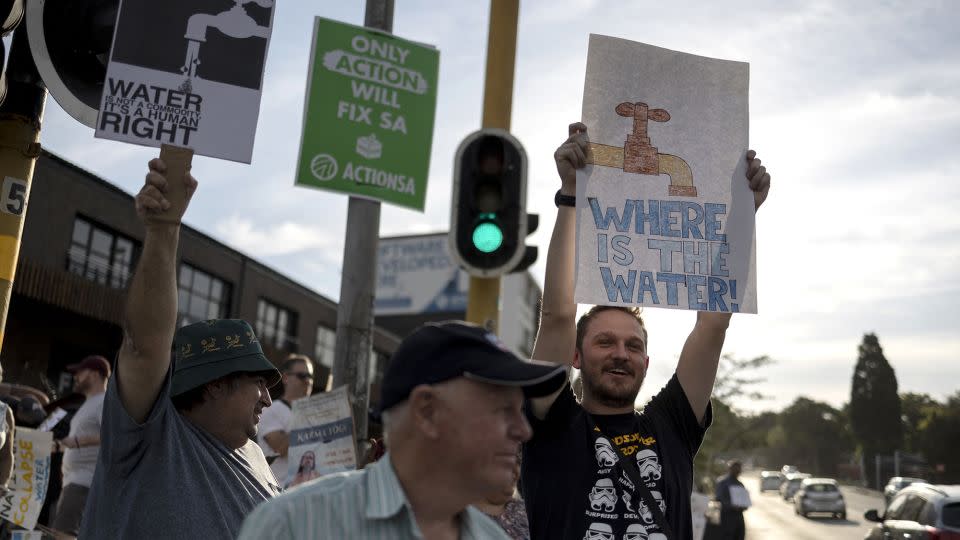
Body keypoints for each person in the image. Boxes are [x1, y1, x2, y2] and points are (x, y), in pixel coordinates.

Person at [520, 123, 771, 540]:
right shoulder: (551, 425)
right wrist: (570, 196)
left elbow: (713, 323)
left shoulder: (671, 425)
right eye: (605, 341)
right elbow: (559, 316)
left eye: (633, 345)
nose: (621, 352)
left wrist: (744, 215)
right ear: (575, 357)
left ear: (646, 362)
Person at [78, 158, 283, 540]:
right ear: (214, 384)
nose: (268, 399)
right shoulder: (152, 433)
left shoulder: (255, 456)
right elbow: (145, 345)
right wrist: (164, 229)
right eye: (258, 382)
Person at [237, 321, 569, 540]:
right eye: (502, 410)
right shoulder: (296, 524)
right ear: (427, 411)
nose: (524, 430)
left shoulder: (492, 537)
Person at [50, 355, 110, 535]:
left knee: (63, 534)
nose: (76, 377)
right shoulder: (90, 404)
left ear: (93, 374)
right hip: (75, 483)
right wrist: (58, 446)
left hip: (83, 483)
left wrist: (77, 441)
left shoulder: (104, 401)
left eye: (79, 372)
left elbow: (112, 435)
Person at [258, 354, 316, 486]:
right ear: (285, 378)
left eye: (310, 376)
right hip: (277, 493)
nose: (308, 381)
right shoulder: (271, 410)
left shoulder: (312, 415)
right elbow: (280, 447)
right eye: (302, 376)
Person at [476, 456, 530, 540]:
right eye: (506, 465)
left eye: (518, 463)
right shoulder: (465, 518)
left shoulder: (523, 509)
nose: (516, 472)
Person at [715, 461, 750, 540]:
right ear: (730, 469)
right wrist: (731, 506)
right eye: (735, 469)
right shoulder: (723, 483)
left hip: (739, 517)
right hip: (727, 517)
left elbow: (745, 502)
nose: (737, 471)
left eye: (738, 470)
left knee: (740, 536)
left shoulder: (740, 484)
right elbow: (718, 498)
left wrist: (744, 506)